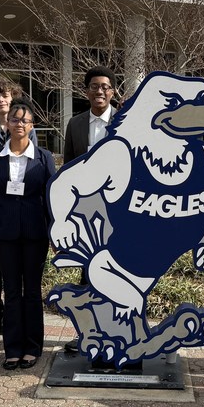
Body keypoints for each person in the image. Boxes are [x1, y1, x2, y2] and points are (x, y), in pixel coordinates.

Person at [0, 100, 57, 371]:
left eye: (25, 120)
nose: (19, 124)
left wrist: (55, 233)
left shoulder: (44, 157)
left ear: (32, 125)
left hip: (35, 234)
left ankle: (33, 347)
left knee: (32, 292)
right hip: (5, 235)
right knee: (11, 292)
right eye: (14, 119)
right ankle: (12, 349)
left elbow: (52, 198)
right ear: (7, 123)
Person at [61, 66, 118, 354]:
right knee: (87, 271)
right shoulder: (76, 124)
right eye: (94, 86)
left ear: (112, 91)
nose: (99, 91)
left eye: (105, 86)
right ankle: (87, 333)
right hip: (85, 210)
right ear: (86, 91)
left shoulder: (124, 122)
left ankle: (120, 332)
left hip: (120, 211)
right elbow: (68, 166)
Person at [0, 78, 38, 339]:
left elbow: (43, 185)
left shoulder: (38, 147)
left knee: (29, 288)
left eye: (6, 96)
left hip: (30, 226)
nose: (1, 101)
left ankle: (30, 339)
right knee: (3, 281)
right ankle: (0, 323)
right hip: (3, 222)